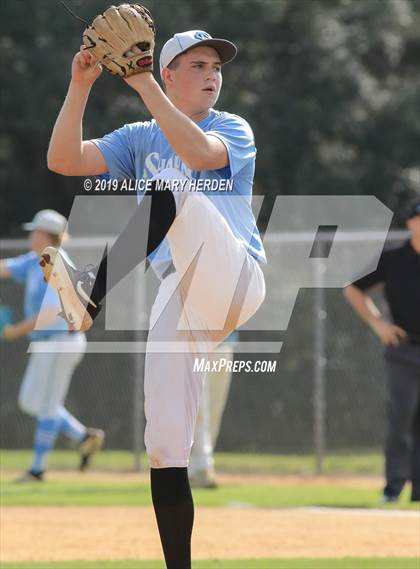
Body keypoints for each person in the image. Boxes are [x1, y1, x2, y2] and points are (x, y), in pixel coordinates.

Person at [44, 26, 266, 569]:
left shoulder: (231, 127)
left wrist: (143, 86)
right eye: (197, 64)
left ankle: (89, 296)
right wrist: (80, 86)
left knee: (170, 183)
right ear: (169, 73)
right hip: (181, 294)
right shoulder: (140, 136)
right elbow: (64, 161)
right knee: (165, 446)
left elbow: (199, 155)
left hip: (233, 275)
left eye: (216, 65)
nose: (212, 73)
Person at [0, 210, 105, 482]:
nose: (31, 235)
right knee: (30, 401)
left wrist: (14, 331)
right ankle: (83, 436)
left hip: (61, 342)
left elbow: (48, 316)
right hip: (47, 344)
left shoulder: (56, 264)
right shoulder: (37, 259)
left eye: (36, 230)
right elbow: (6, 268)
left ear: (48, 236)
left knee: (46, 405)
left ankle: (37, 469)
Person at [344, 199, 420, 503]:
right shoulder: (393, 258)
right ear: (410, 223)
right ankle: (394, 486)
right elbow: (353, 288)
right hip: (402, 349)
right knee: (401, 415)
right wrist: (378, 324)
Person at [189, 332, 237, 489]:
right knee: (199, 411)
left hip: (224, 345)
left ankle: (200, 465)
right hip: (195, 346)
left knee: (215, 411)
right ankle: (200, 467)